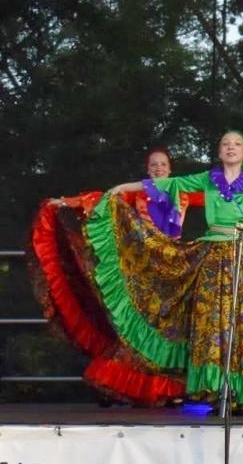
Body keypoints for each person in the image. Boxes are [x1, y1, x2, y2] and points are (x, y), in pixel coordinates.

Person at [84, 131, 243, 411]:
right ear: (219, 153)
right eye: (225, 144)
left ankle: (240, 393)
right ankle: (215, 389)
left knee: (240, 322)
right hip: (211, 256)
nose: (231, 148)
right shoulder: (207, 179)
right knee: (211, 323)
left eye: (237, 144)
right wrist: (123, 188)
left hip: (242, 255)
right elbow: (166, 184)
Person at [33, 147, 203, 406]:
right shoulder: (139, 191)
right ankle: (134, 385)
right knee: (138, 329)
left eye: (163, 164)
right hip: (142, 268)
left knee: (169, 329)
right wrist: (67, 202)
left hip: (173, 268)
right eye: (154, 165)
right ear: (148, 170)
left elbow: (223, 195)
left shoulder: (183, 190)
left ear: (170, 169)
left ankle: (167, 387)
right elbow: (104, 199)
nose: (158, 168)